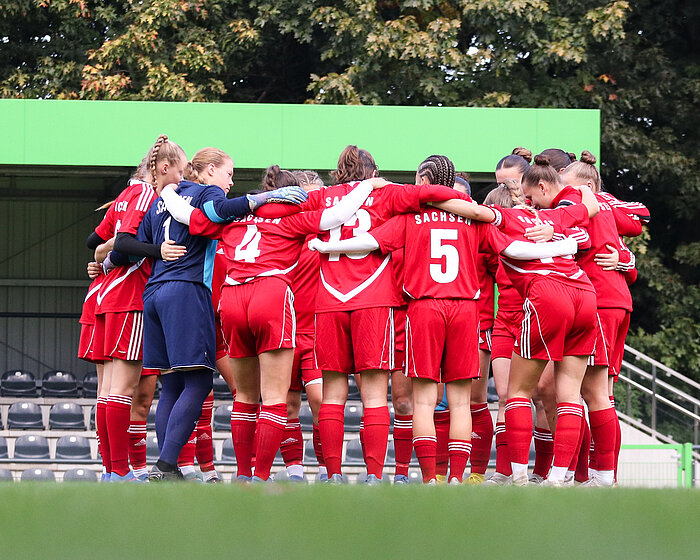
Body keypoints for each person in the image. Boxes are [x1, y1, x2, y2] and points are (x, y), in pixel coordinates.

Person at [308, 155, 579, 484]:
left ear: (423, 181)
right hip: (466, 311)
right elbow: (514, 250)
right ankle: (455, 478)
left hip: (424, 309)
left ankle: (428, 479)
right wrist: (563, 246)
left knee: (424, 400)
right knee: (462, 401)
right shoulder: (473, 214)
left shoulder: (413, 214)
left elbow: (372, 241)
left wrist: (326, 246)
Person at [159, 166, 385, 482]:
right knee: (275, 397)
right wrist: (367, 185)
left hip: (233, 298)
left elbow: (185, 214)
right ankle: (261, 477)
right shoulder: (293, 217)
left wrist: (167, 189)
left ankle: (242, 475)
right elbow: (340, 213)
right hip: (270, 294)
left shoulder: (233, 215)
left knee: (245, 397)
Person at [432, 155, 600, 486]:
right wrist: (561, 236)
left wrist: (432, 196)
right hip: (584, 293)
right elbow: (590, 205)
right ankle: (560, 477)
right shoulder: (556, 215)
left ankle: (519, 475)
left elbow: (479, 213)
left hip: (547, 296)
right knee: (569, 394)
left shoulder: (503, 220)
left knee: (518, 392)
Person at [87, 135, 188, 482]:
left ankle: (111, 470)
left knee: (107, 390)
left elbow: (94, 241)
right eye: (180, 171)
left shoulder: (125, 195)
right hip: (130, 296)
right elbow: (127, 241)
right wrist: (159, 249)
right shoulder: (147, 195)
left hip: (106, 295)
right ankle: (118, 471)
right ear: (162, 168)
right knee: (121, 390)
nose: (183, 179)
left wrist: (103, 257)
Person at [560, 151, 648, 486]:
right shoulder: (605, 207)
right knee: (602, 393)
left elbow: (639, 218)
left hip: (598, 302)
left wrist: (626, 258)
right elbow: (634, 224)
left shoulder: (587, 205)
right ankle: (601, 475)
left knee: (589, 392)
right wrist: (627, 258)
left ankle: (590, 475)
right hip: (616, 301)